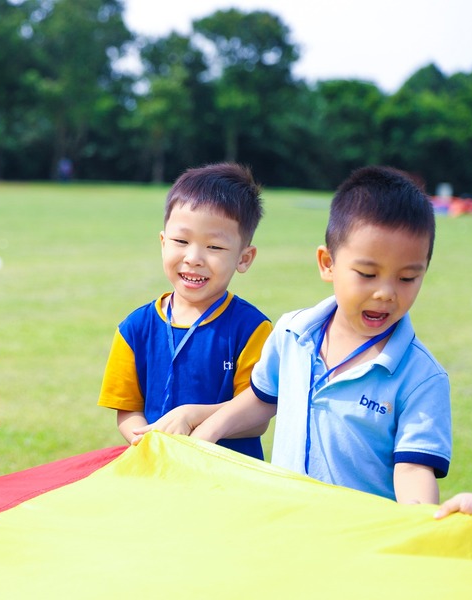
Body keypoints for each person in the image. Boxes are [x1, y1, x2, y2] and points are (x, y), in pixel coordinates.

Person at [191, 166, 451, 504]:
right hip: (286, 520)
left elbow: (413, 469)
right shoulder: (292, 333)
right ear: (328, 263)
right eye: (367, 273)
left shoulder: (422, 378)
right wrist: (207, 431)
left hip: (360, 533)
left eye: (407, 278)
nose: (386, 293)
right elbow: (261, 400)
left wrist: (421, 520)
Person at [97, 163, 272, 459]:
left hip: (227, 477)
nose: (193, 258)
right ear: (163, 242)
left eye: (214, 247)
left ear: (244, 258)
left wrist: (192, 417)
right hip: (159, 469)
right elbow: (127, 410)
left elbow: (256, 417)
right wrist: (149, 442)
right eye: (181, 241)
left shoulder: (252, 329)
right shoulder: (134, 328)